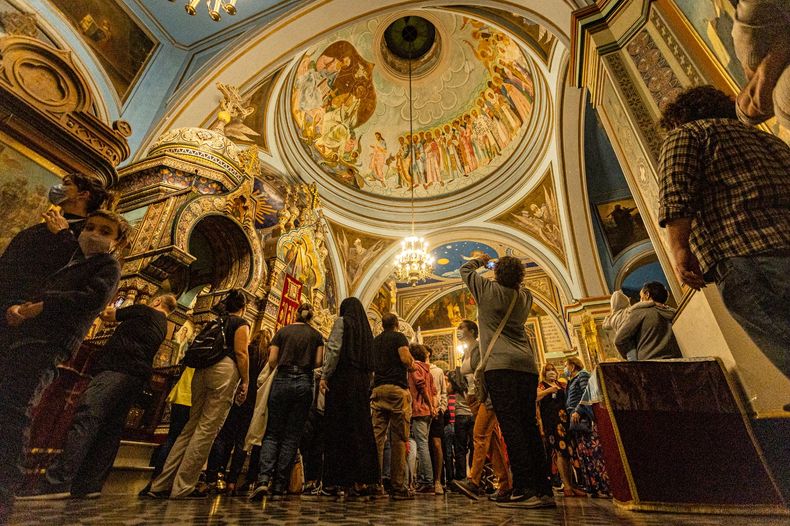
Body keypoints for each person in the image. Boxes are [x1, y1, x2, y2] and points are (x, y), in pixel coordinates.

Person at [0, 209, 128, 515]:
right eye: (91, 227)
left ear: (117, 242)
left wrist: (41, 307)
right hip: (29, 335)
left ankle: (6, 488)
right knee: (9, 403)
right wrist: (20, 308)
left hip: (53, 340)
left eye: (105, 231)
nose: (94, 233)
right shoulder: (74, 259)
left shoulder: (107, 264)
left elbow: (90, 299)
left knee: (18, 408)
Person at [657, 85, 790, 379]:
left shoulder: (687, 135)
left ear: (680, 116)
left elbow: (676, 194)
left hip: (744, 253)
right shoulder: (764, 138)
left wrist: (679, 251)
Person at [20, 294, 177, 499]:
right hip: (137, 376)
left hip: (117, 367)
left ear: (156, 302)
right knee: (111, 430)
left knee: (88, 416)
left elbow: (109, 315)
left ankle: (57, 482)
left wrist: (107, 305)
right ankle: (90, 484)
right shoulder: (162, 326)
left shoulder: (145, 310)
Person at [460, 255, 554, 508]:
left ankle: (524, 488)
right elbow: (517, 285)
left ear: (497, 274)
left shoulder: (488, 290)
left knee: (511, 427)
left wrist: (482, 260)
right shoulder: (525, 297)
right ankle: (544, 489)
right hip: (527, 365)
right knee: (530, 426)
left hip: (500, 366)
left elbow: (465, 269)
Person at [148, 289, 250, 499]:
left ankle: (161, 484)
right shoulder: (240, 324)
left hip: (201, 372)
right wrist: (246, 381)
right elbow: (241, 353)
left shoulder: (215, 322)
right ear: (244, 308)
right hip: (223, 372)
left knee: (189, 428)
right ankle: (183, 486)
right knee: (206, 430)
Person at [0, 174, 109, 332]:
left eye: (67, 184)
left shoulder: (89, 236)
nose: (59, 188)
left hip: (28, 316)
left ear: (83, 194)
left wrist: (63, 235)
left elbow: (78, 272)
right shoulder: (40, 228)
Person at [250, 304, 324, 500]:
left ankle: (263, 479)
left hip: (281, 380)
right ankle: (280, 484)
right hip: (304, 383)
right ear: (312, 317)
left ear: (295, 314)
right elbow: (318, 363)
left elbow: (272, 359)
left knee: (272, 432)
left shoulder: (282, 331)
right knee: (292, 435)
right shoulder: (316, 335)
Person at [319, 297, 379, 496]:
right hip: (361, 384)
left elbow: (334, 350)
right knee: (360, 429)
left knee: (337, 429)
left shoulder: (343, 322)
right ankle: (362, 480)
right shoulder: (366, 331)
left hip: (342, 381)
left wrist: (325, 375)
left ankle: (336, 481)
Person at [452, 320, 512, 502]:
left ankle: (474, 482)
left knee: (479, 436)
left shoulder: (479, 348)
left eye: (461, 328)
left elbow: (483, 373)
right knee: (491, 442)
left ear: (472, 330)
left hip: (485, 398)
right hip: (473, 400)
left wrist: (482, 397)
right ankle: (505, 486)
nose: (458, 331)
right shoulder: (465, 353)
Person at [206, 331, 269, 495]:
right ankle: (232, 481)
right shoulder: (267, 359)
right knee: (243, 442)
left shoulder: (246, 350)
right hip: (255, 402)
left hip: (239, 395)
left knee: (225, 436)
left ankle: (215, 475)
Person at [370, 312, 414, 500]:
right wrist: (412, 364)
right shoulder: (399, 337)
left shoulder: (375, 341)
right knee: (398, 438)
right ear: (396, 324)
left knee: (377, 439)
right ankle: (397, 487)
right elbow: (405, 358)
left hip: (378, 389)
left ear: (382, 325)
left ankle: (374, 484)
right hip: (396, 391)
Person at [537, 363, 586, 499]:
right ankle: (566, 485)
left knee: (568, 452)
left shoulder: (561, 384)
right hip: (552, 422)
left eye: (553, 370)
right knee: (560, 451)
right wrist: (548, 391)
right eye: (548, 370)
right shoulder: (542, 385)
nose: (551, 372)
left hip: (564, 420)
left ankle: (571, 484)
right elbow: (536, 397)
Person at [564, 357, 610, 498]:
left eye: (566, 365)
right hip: (575, 418)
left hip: (582, 416)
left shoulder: (583, 375)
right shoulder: (572, 379)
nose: (565, 368)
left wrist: (578, 409)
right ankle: (592, 485)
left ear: (572, 365)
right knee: (584, 451)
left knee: (592, 450)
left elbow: (587, 393)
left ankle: (602, 484)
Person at [614, 282, 681, 361]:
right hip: (677, 362)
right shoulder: (675, 313)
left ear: (647, 294)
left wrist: (632, 357)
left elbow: (619, 339)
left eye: (641, 296)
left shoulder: (640, 312)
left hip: (650, 365)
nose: (640, 300)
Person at [406, 343, 435, 494]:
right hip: (427, 411)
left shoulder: (415, 367)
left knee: (422, 445)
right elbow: (434, 390)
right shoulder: (427, 369)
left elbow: (420, 386)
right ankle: (425, 478)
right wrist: (433, 407)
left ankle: (427, 481)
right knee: (424, 444)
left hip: (419, 409)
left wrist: (429, 405)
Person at [426, 346, 448, 495]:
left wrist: (442, 408)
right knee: (423, 445)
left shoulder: (437, 371)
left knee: (436, 443)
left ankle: (438, 480)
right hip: (421, 411)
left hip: (436, 411)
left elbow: (443, 391)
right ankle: (426, 480)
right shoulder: (413, 369)